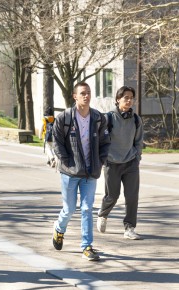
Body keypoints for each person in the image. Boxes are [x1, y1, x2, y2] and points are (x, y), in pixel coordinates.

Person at [52, 82, 110, 261]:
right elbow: (57, 142)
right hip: (69, 172)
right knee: (69, 209)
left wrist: (99, 161)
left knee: (86, 209)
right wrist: (67, 162)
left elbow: (105, 142)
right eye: (83, 93)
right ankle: (59, 229)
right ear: (75, 96)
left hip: (90, 172)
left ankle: (87, 246)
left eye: (89, 93)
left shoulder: (98, 118)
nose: (86, 96)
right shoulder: (64, 118)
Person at [97, 86, 144, 240]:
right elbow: (101, 140)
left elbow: (138, 141)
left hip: (130, 162)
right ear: (118, 100)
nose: (129, 100)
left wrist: (137, 157)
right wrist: (103, 158)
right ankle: (103, 214)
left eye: (131, 97)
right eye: (126, 97)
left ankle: (129, 227)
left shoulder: (136, 119)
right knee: (112, 195)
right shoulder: (109, 118)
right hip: (112, 163)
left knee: (132, 196)